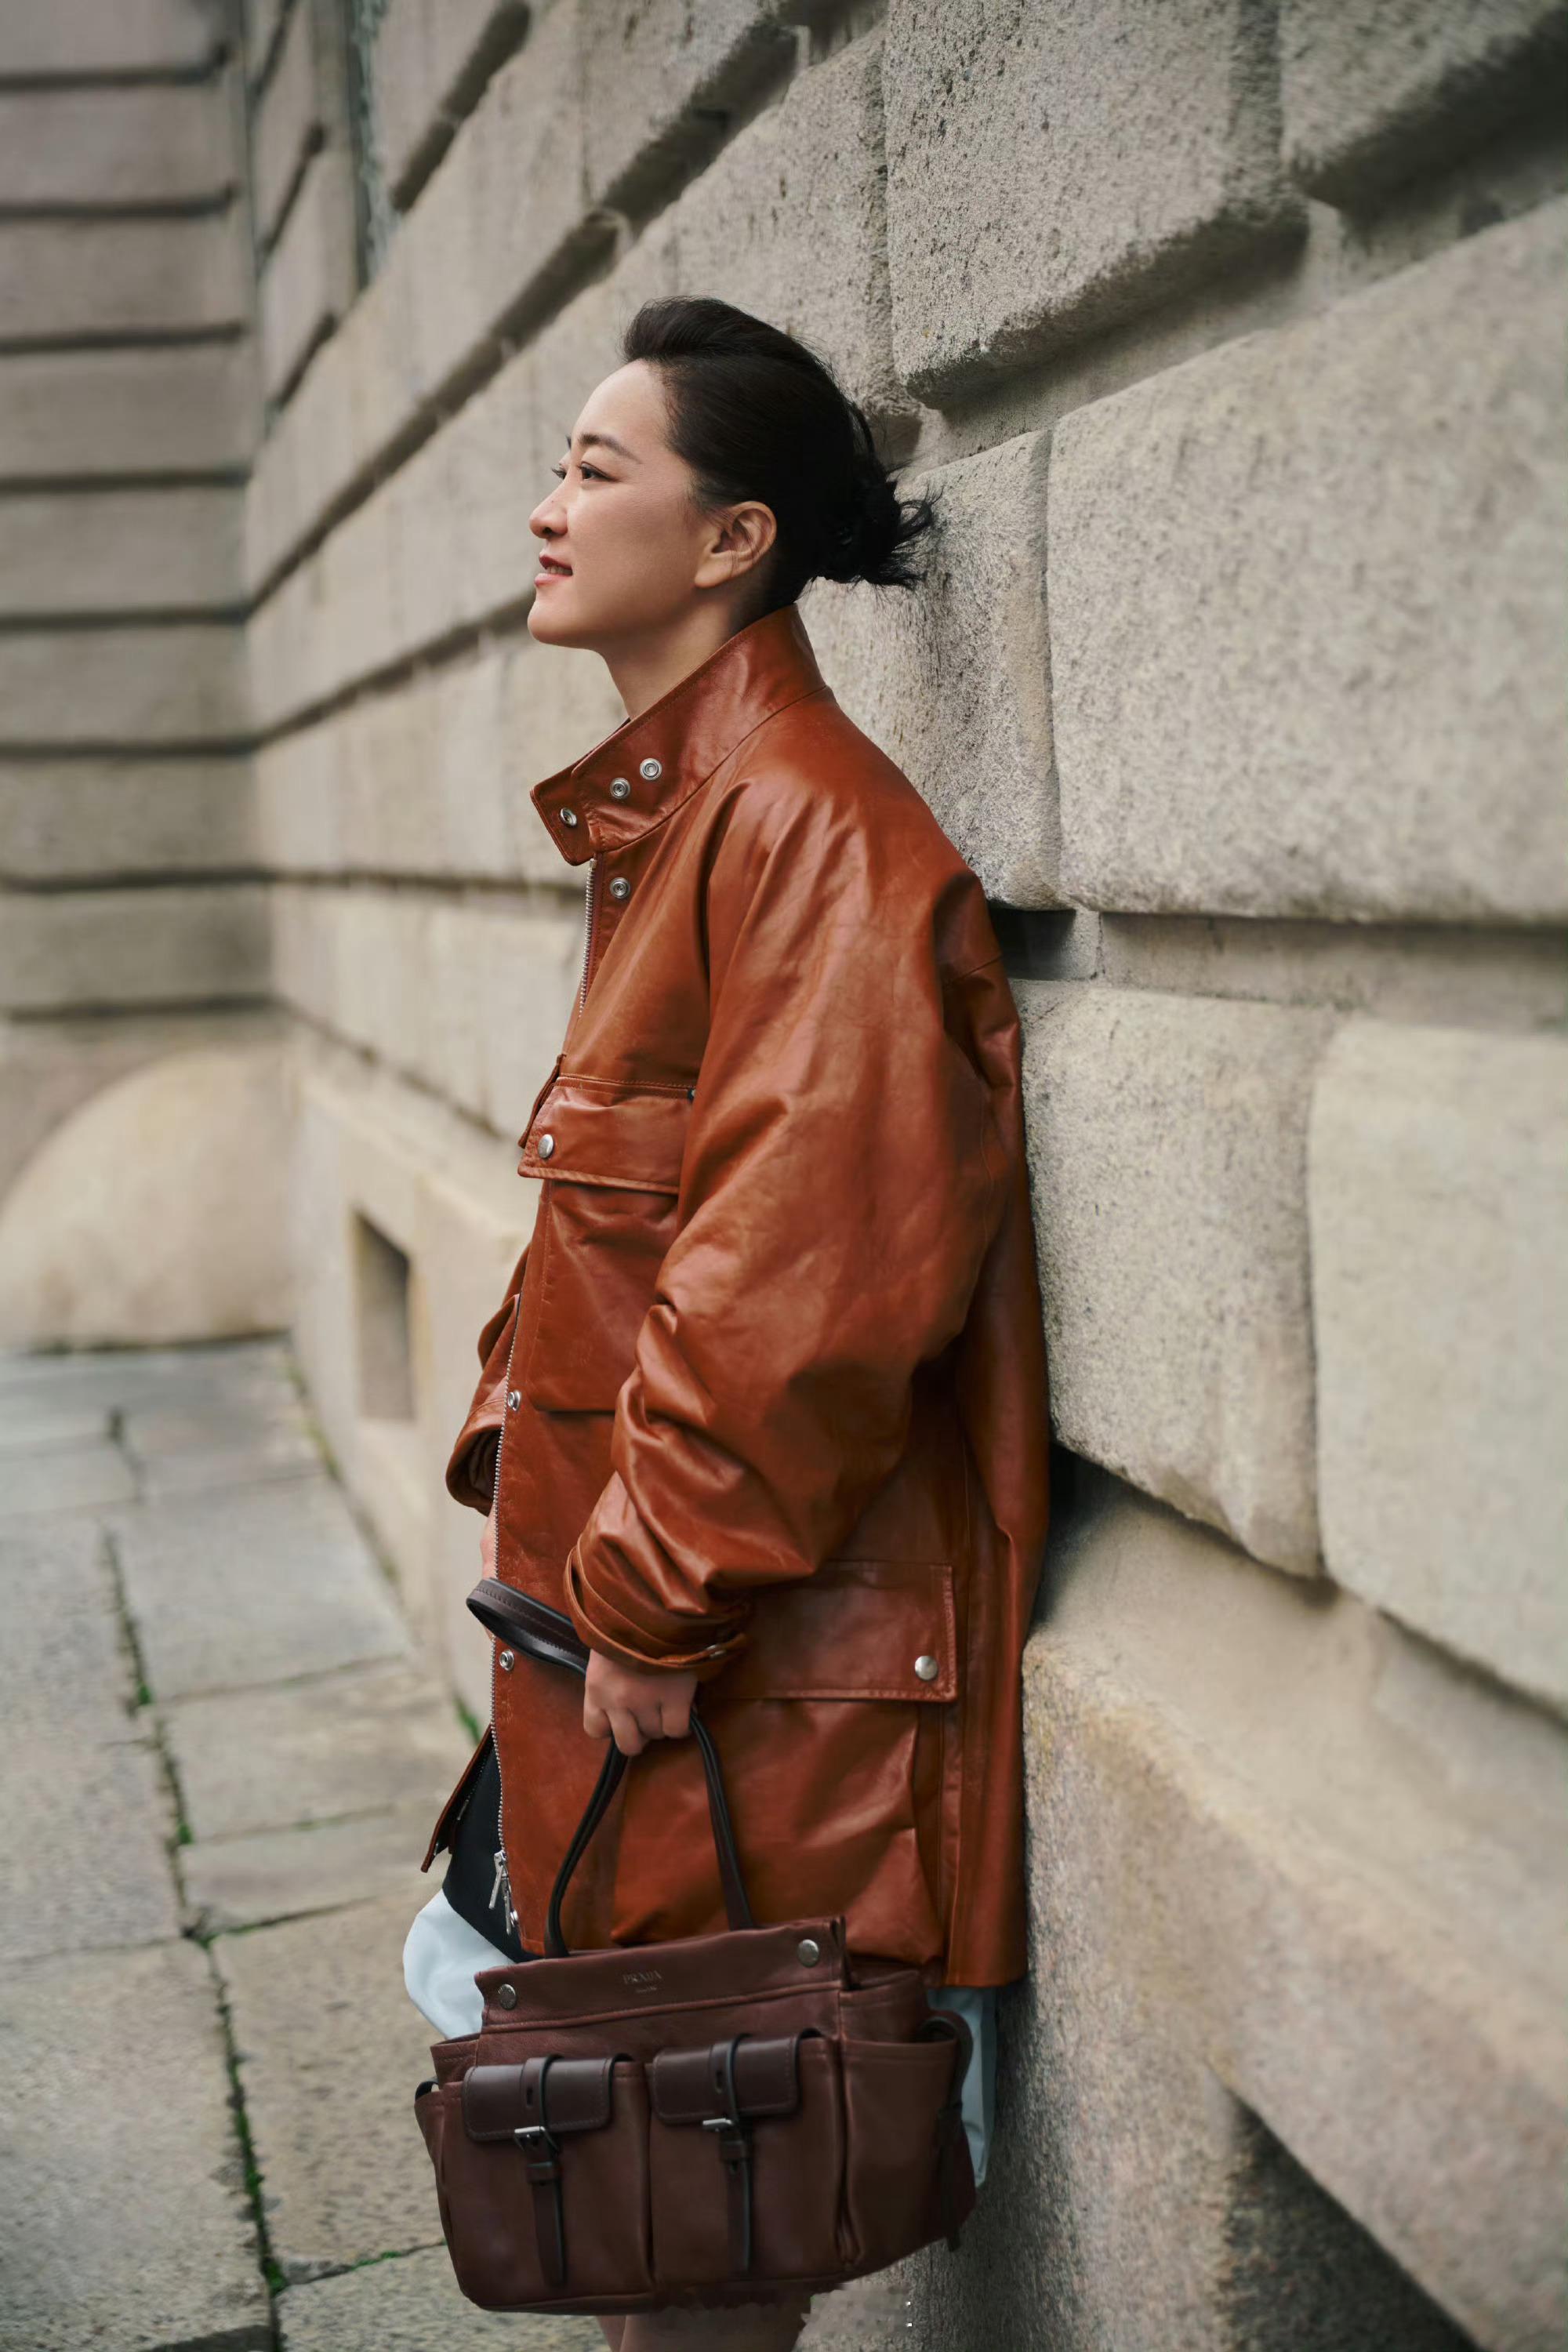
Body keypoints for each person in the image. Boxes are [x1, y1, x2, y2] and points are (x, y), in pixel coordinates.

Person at [403, 296, 1051, 2352]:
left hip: (724, 1670)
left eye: (596, 470)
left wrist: (650, 1606)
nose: (545, 508)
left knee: (688, 2214)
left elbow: (803, 1287)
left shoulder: (809, 830)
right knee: (643, 2206)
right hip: (650, 1657)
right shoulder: (691, 817)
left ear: (730, 540)